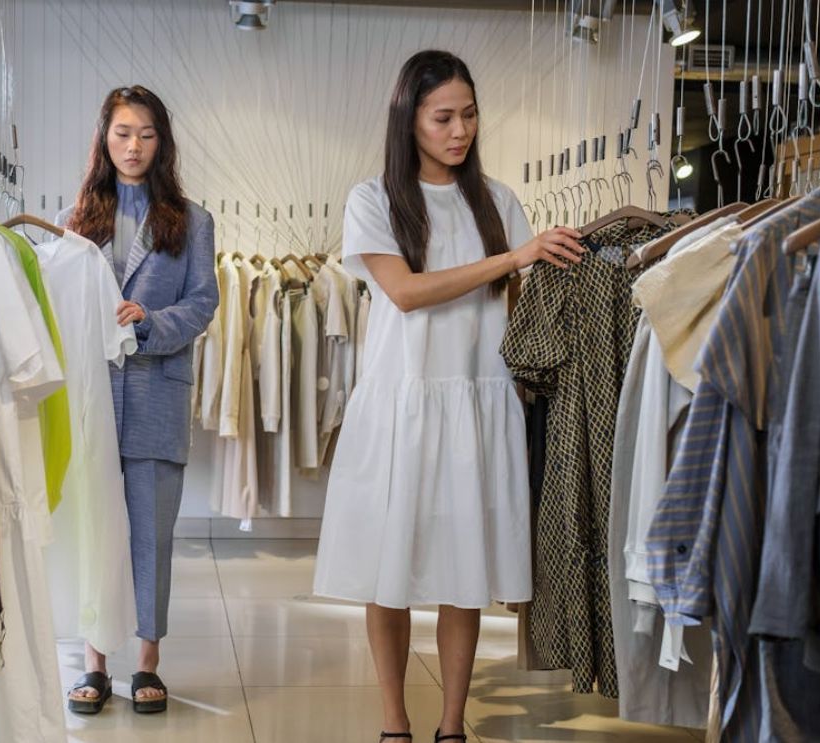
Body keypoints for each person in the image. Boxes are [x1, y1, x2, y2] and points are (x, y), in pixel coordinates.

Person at [310, 50, 585, 743]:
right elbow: (404, 293)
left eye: (467, 114)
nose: (458, 130)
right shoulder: (372, 199)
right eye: (442, 117)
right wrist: (513, 257)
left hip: (476, 402)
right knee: (388, 568)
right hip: (401, 404)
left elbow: (523, 305)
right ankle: (394, 721)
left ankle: (453, 723)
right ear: (410, 121)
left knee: (464, 572)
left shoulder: (498, 200)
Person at [64, 85, 218, 715]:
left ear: (163, 141)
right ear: (105, 137)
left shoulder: (192, 220)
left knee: (151, 537)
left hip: (156, 396)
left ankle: (147, 662)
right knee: (96, 531)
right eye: (123, 132)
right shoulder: (78, 220)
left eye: (147, 133)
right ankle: (95, 663)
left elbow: (204, 302)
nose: (134, 146)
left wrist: (149, 320)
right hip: (97, 398)